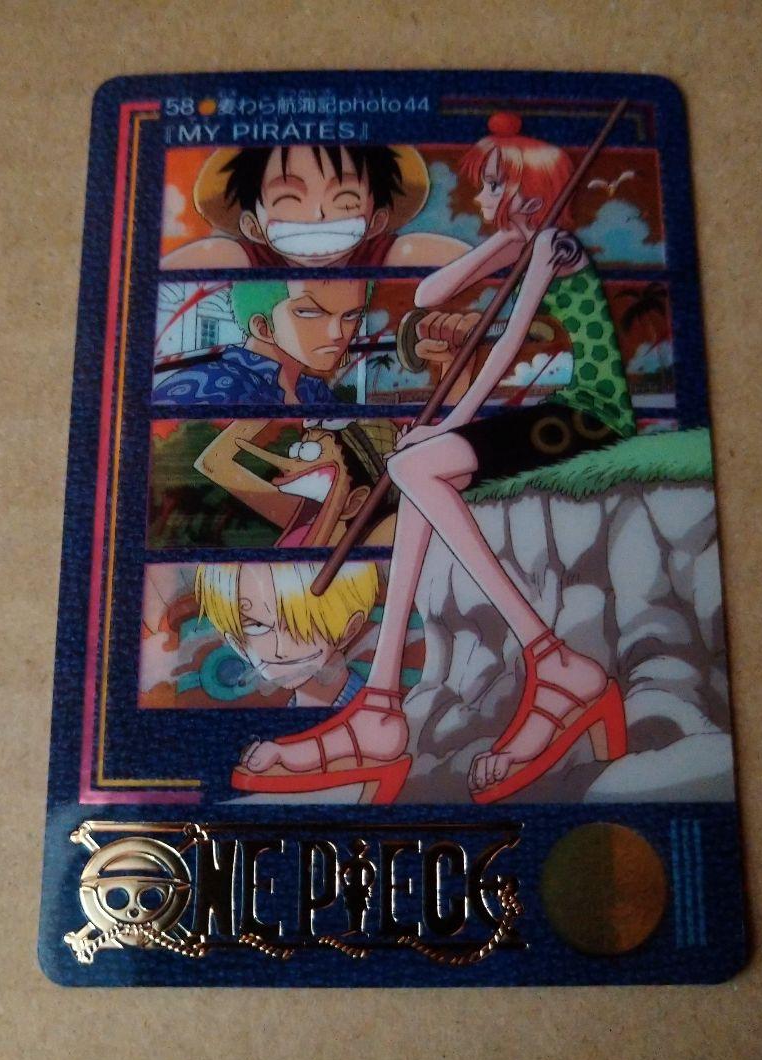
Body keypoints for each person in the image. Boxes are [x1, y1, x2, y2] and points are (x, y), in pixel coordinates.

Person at [233, 114, 634, 805]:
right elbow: (429, 295)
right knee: (414, 467)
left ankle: (554, 662)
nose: (481, 199)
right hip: (562, 410)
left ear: (532, 190)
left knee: (418, 463)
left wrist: (453, 421)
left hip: (595, 413)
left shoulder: (555, 247)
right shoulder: (524, 240)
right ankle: (381, 707)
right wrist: (502, 240)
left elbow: (506, 342)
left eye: (494, 187)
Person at [160, 145, 468, 270]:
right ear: (253, 228)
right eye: (289, 200)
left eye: (345, 199)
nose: (318, 215)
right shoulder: (251, 258)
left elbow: (468, 262)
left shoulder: (381, 253)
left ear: (376, 222)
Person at [153, 279, 369, 406]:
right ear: (262, 327)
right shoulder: (209, 387)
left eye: (350, 316)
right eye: (309, 313)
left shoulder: (314, 391)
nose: (337, 333)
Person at [194, 560, 377, 709]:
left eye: (298, 624)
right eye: (257, 625)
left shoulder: (377, 712)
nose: (280, 650)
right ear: (237, 644)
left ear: (350, 629)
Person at [194, 417, 398, 547]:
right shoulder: (305, 514)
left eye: (310, 452)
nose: (290, 464)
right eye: (298, 448)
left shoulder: (381, 536)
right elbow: (214, 461)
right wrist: (274, 398)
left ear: (354, 502)